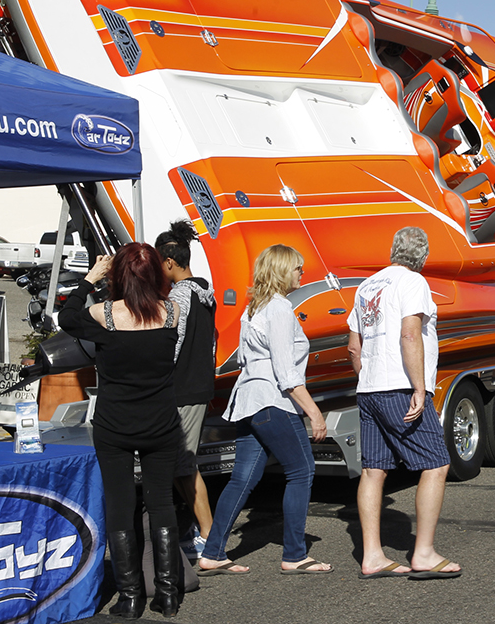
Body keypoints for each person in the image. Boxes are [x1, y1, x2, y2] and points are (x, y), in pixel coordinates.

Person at [59, 244, 183, 618]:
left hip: (114, 425)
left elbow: (66, 317)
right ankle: (167, 594)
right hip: (161, 422)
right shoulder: (172, 313)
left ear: (120, 276)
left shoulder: (104, 316)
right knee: (162, 503)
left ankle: (130, 598)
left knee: (120, 505)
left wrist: (90, 278)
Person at [197, 245, 331, 575]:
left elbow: (245, 358)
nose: (302, 273)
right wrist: (314, 412)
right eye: (298, 268)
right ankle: (296, 555)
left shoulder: (254, 308)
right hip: (273, 401)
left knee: (243, 478)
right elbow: (286, 373)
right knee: (302, 471)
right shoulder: (280, 310)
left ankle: (213, 552)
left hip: (248, 400)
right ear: (283, 271)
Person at [348, 227, 461, 580]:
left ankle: (373, 556)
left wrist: (367, 379)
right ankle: (423, 552)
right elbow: (410, 332)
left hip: (369, 389)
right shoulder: (413, 282)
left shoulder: (366, 287)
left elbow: (354, 346)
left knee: (373, 470)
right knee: (437, 464)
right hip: (400, 386)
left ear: (393, 250)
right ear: (423, 256)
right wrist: (418, 386)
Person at [155, 220, 216, 560]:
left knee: (183, 465)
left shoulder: (179, 296)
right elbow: (211, 343)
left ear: (168, 263)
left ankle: (209, 535)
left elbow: (171, 345)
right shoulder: (205, 292)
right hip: (198, 386)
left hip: (181, 389)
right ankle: (201, 530)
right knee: (181, 464)